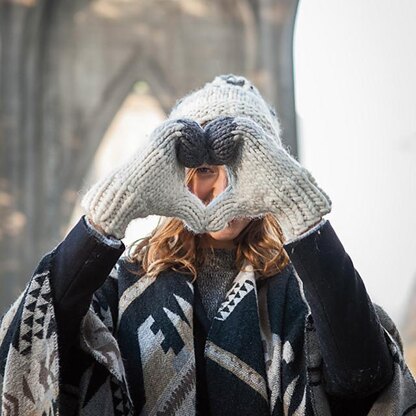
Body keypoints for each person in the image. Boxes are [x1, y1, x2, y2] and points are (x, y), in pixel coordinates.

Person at [0, 74, 415, 416]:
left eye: (243, 169)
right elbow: (33, 346)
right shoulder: (123, 285)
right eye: (203, 169)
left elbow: (365, 377)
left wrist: (300, 210)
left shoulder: (299, 292)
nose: (223, 188)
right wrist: (109, 213)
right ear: (177, 174)